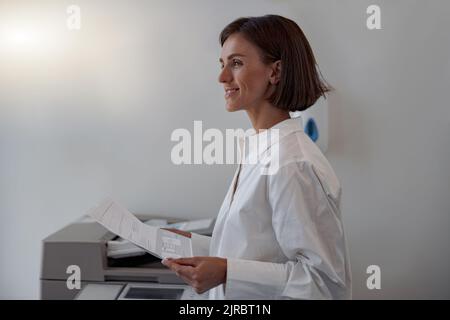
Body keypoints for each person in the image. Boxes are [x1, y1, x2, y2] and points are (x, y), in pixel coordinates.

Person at [162, 14, 351, 299]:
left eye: (236, 63)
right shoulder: (262, 146)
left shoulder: (292, 163)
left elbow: (323, 283)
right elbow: (259, 248)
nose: (222, 77)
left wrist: (227, 272)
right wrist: (198, 247)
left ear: (275, 72)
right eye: (223, 64)